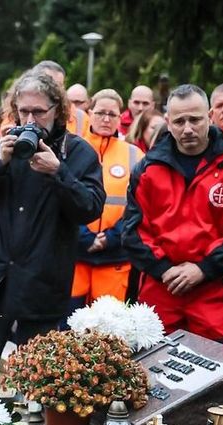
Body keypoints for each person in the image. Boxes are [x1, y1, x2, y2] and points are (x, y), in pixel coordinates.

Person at [0, 72, 106, 390]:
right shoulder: (2, 146)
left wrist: (59, 172)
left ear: (58, 110)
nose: (30, 119)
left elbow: (91, 209)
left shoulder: (77, 153)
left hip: (42, 281)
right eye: (23, 111)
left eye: (39, 111)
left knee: (39, 385)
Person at [124, 84, 223, 348]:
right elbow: (133, 231)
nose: (187, 128)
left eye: (195, 119)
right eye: (179, 121)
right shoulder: (147, 169)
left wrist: (204, 269)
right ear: (167, 121)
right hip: (160, 287)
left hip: (212, 287)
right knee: (152, 370)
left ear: (210, 116)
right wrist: (165, 270)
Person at [72, 88, 144, 309]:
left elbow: (140, 206)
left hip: (115, 256)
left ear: (120, 117)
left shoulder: (135, 155)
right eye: (101, 112)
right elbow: (60, 198)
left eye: (112, 114)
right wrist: (84, 237)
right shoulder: (72, 149)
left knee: (108, 331)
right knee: (67, 330)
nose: (106, 119)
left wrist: (111, 237)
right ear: (90, 113)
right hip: (75, 254)